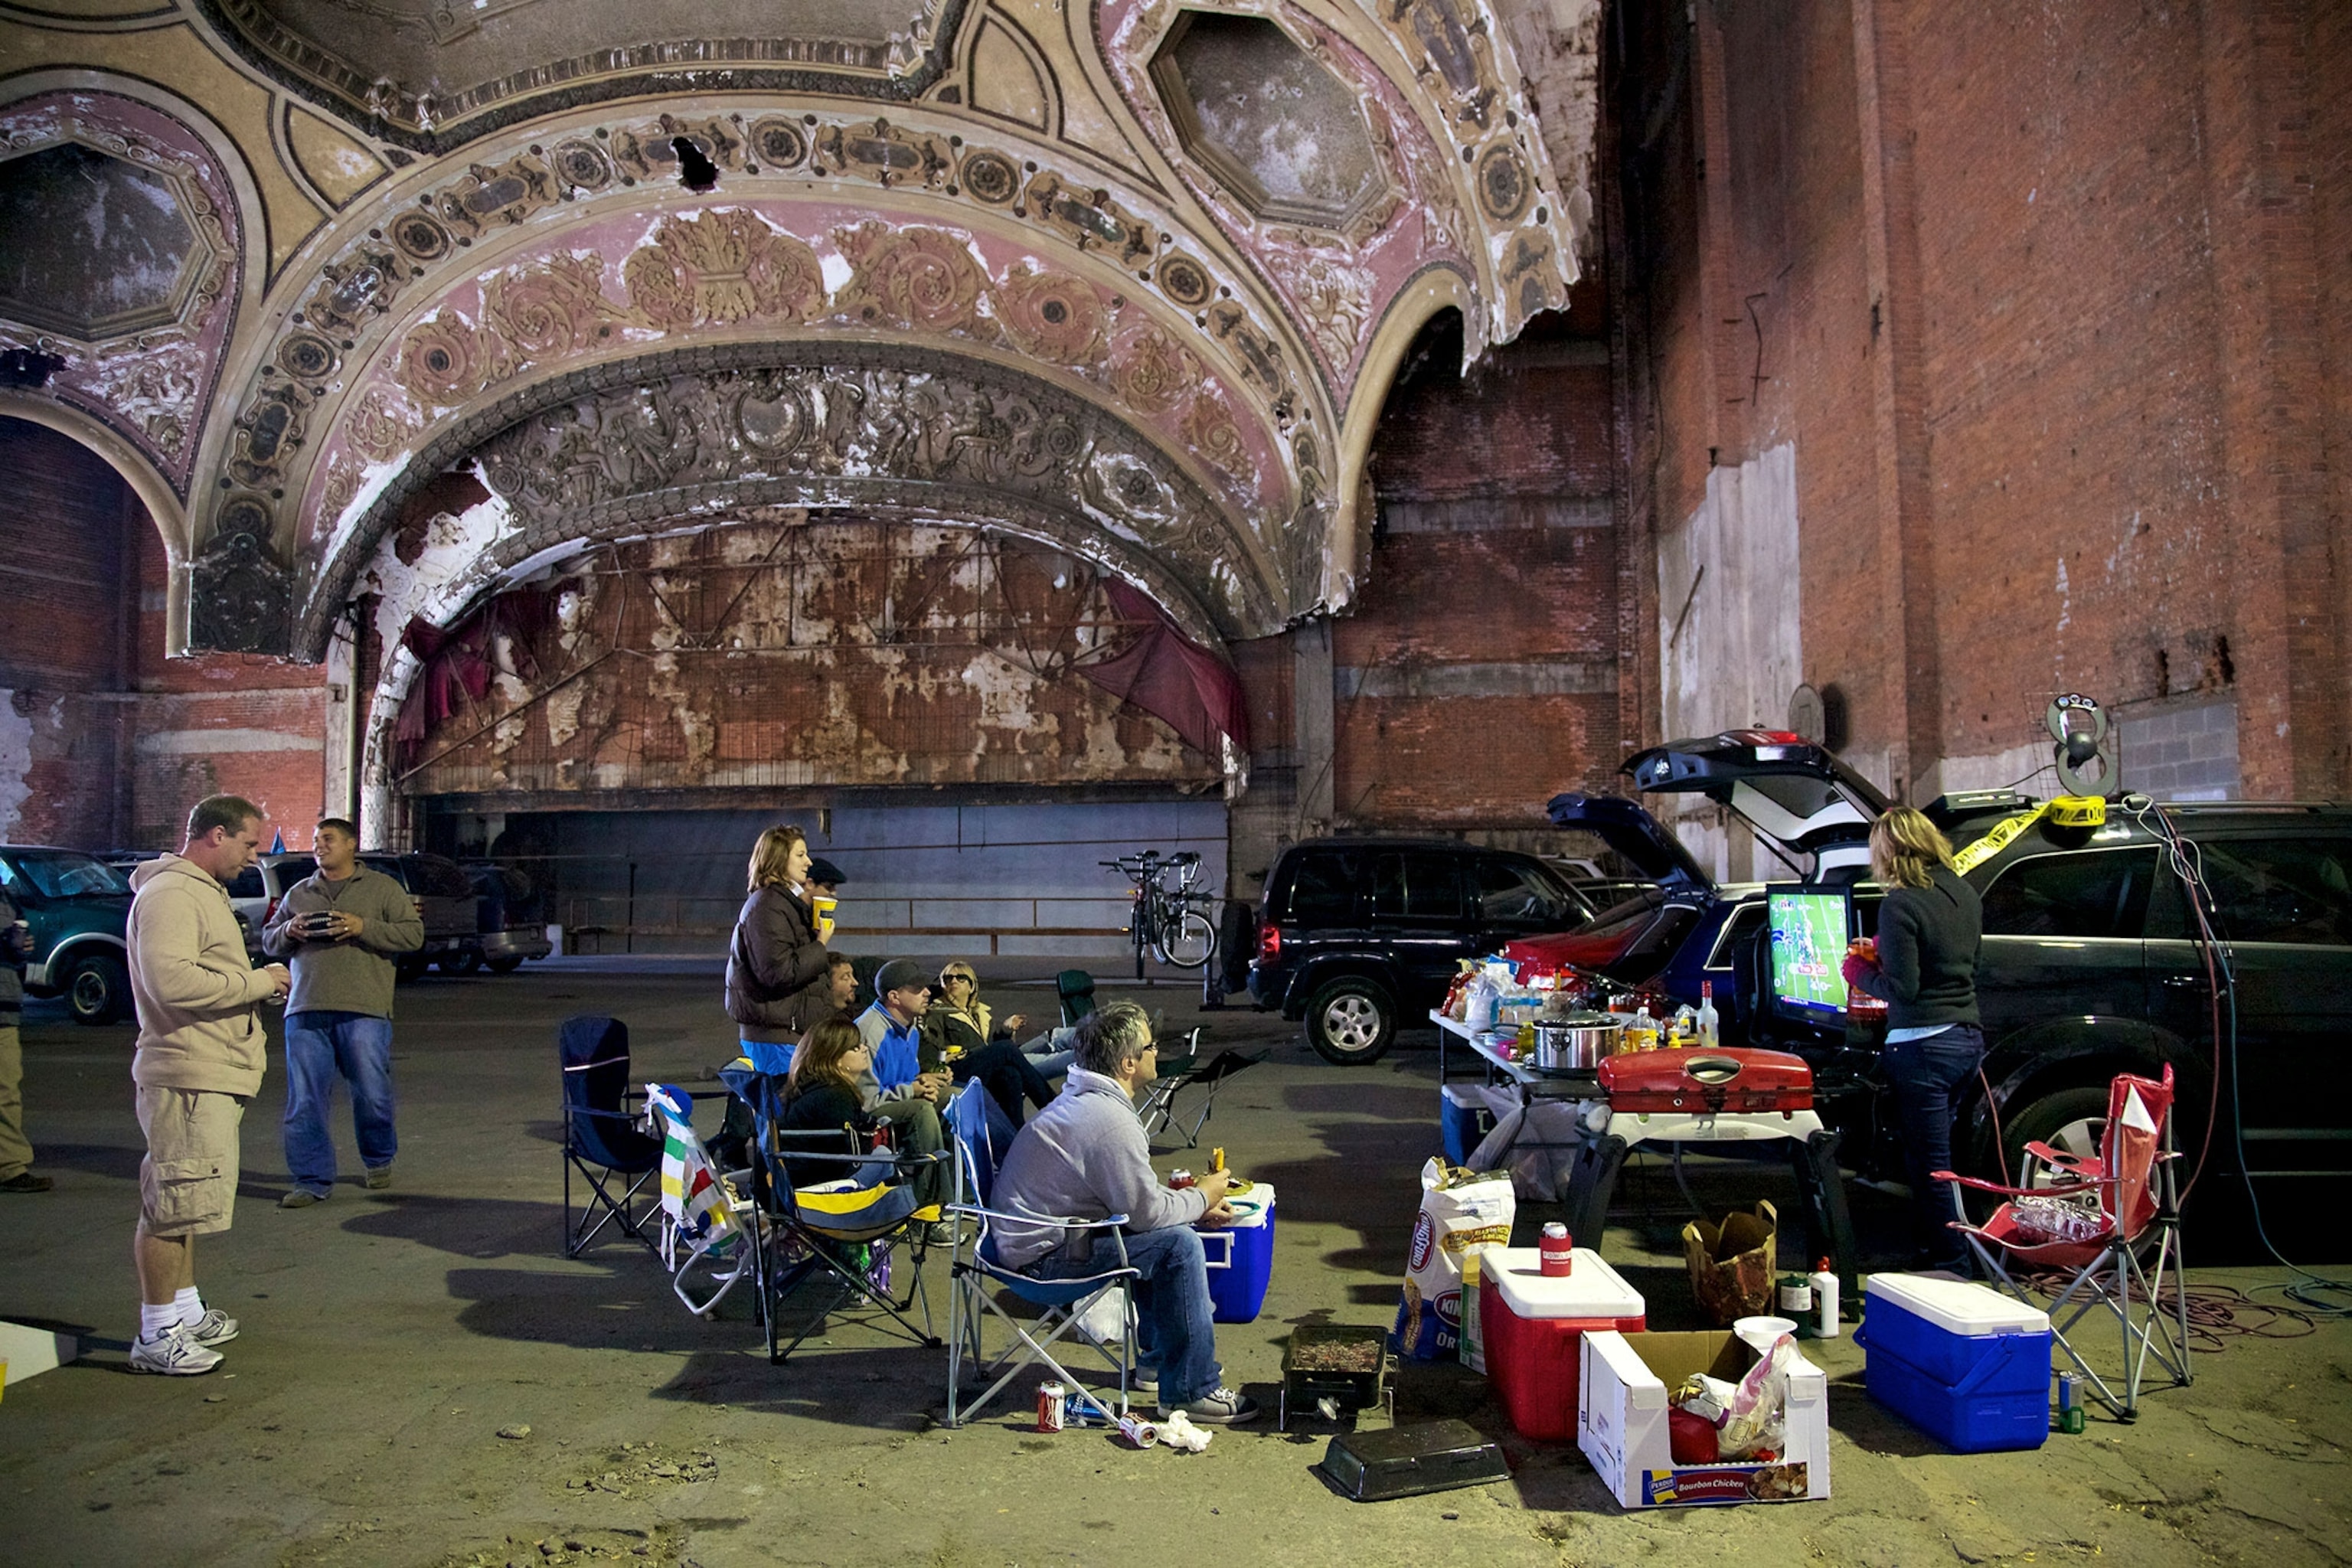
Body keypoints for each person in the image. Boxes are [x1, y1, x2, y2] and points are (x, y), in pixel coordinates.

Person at [990, 1000, 1259, 1424]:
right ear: (1129, 1063)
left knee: (1161, 1240)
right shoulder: (1108, 1119)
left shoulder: (1083, 1098)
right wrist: (1204, 1197)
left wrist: (1188, 1206)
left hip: (1034, 1239)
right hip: (1042, 1260)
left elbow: (1135, 1208)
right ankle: (1190, 1388)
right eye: (1151, 1047)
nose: (1158, 1053)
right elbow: (1146, 1215)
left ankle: (1158, 1363)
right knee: (1178, 1245)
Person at [126, 795, 292, 1376]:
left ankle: (184, 1310)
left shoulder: (199, 890)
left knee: (187, 1199)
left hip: (207, 1070)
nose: (255, 856)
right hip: (187, 1071)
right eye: (249, 844)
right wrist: (256, 981)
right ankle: (156, 1332)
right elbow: (170, 980)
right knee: (171, 1203)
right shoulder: (173, 893)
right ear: (215, 834)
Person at [1844, 805, 1985, 1272]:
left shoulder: (1901, 903)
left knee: (1930, 1164)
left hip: (1923, 1044)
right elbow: (1954, 960)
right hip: (1966, 1038)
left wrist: (1859, 971)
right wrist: (1890, 951)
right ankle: (1941, 1251)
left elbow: (1902, 990)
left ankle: (1951, 1262)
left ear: (1889, 851)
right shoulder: (1963, 892)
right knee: (1946, 1155)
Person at [261, 818, 425, 1207]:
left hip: (364, 1008)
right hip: (305, 1009)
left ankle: (378, 1157)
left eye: (328, 839)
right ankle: (310, 1180)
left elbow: (413, 935)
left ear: (351, 844)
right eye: (316, 840)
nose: (319, 846)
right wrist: (290, 932)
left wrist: (361, 926)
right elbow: (268, 939)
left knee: (372, 1094)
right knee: (305, 1100)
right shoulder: (300, 893)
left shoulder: (383, 889)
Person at [774, 1014, 946, 1215]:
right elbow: (846, 1156)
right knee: (884, 1156)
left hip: (799, 1179)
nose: (864, 1049)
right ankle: (925, 1211)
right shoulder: (834, 1096)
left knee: (884, 1154)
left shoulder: (815, 1088)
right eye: (855, 1047)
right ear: (836, 1059)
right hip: (818, 1189)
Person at [724, 826, 835, 1074]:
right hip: (776, 1037)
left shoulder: (783, 903)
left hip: (789, 1032)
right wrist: (820, 944)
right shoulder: (768, 907)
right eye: (800, 855)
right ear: (778, 858)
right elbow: (778, 973)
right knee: (782, 1109)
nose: (808, 862)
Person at [929, 960, 1060, 1125]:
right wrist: (949, 1056)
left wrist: (1005, 1031)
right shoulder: (935, 1013)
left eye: (960, 978)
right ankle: (1053, 1106)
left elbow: (992, 1049)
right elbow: (931, 1050)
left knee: (1010, 1075)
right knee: (1006, 1049)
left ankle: (1015, 1135)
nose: (953, 981)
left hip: (982, 1071)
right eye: (948, 979)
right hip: (955, 1072)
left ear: (972, 987)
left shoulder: (981, 1015)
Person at [0, 884, 47, 1193]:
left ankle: (10, 1167)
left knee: (6, 1090)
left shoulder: (5, 895)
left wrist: (21, 948)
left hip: (5, 1006)